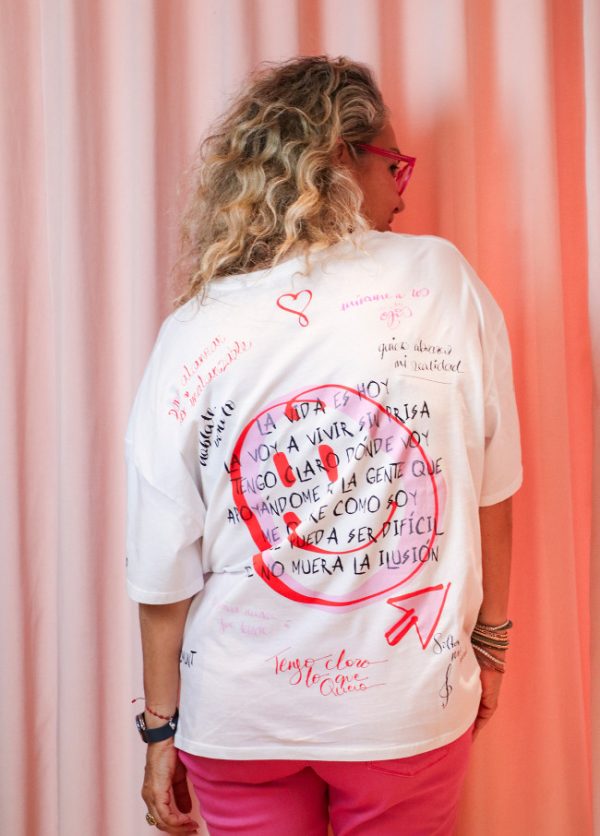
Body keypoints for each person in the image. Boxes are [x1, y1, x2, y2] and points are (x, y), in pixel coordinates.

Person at [125, 55, 522, 835]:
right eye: (393, 163)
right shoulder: (440, 278)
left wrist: (160, 728)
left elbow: (162, 557)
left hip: (239, 716)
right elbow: (492, 489)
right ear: (340, 156)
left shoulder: (195, 325)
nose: (403, 188)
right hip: (402, 703)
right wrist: (492, 646)